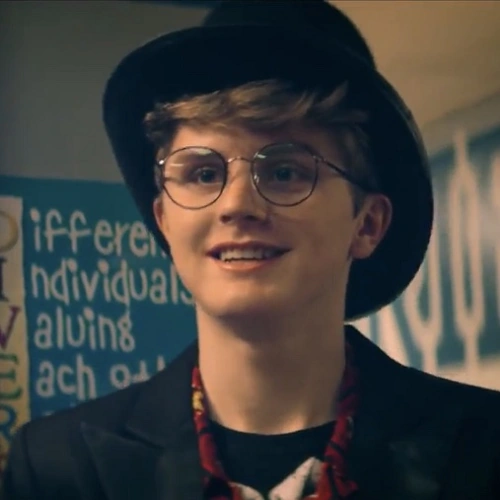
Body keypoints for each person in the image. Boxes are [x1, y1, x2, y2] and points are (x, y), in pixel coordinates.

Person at [3, 1, 500, 499]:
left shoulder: (483, 451)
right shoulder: (58, 469)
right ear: (164, 220)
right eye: (203, 173)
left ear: (367, 224)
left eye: (285, 172)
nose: (237, 204)